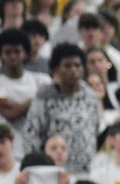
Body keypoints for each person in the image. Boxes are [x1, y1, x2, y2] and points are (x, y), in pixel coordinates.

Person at [22, 42, 100, 174]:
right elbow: (31, 133)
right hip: (53, 169)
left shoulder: (91, 97)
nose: (73, 70)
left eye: (77, 65)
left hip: (85, 169)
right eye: (67, 66)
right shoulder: (44, 96)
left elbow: (95, 129)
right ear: (56, 69)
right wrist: (37, 166)